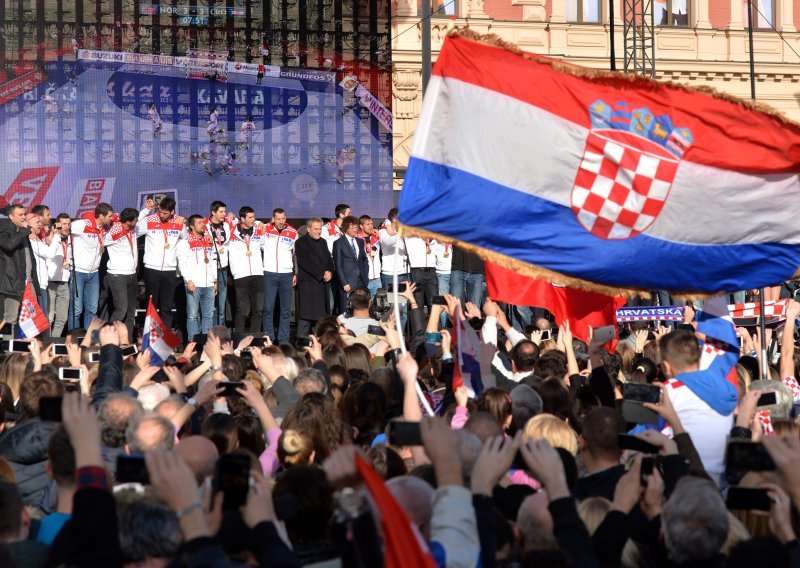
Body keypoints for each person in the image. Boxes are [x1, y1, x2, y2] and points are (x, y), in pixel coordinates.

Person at [138, 196, 186, 330]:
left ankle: (165, 342)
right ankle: (150, 338)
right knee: (151, 306)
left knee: (167, 308)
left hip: (170, 270)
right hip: (151, 269)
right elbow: (133, 231)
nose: (161, 215)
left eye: (165, 213)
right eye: (160, 212)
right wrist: (145, 212)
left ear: (172, 212)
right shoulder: (150, 220)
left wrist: (184, 224)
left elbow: (187, 240)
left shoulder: (179, 222)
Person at [71, 203, 114, 329]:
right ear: (101, 216)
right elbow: (64, 227)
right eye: (109, 216)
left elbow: (118, 218)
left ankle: (87, 340)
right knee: (77, 310)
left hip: (94, 273)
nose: (111, 219)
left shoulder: (104, 228)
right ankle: (73, 339)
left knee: (92, 310)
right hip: (78, 272)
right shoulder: (83, 224)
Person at [176, 215, 217, 341]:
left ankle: (206, 342)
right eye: (199, 223)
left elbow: (212, 261)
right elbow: (182, 263)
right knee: (193, 315)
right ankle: (193, 342)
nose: (203, 225)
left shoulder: (209, 241)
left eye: (203, 222)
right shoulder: (185, 242)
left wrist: (214, 280)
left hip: (209, 284)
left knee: (208, 315)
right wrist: (188, 280)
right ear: (192, 226)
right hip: (194, 283)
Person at [228, 206, 267, 335]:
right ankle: (239, 340)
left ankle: (254, 339)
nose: (253, 219)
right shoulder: (231, 231)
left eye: (254, 217)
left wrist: (259, 225)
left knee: (258, 310)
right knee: (242, 311)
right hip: (241, 276)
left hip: (257, 274)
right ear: (242, 219)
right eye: (250, 217)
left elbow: (264, 246)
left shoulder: (258, 230)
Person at [262, 208, 297, 344]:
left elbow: (296, 255)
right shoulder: (266, 229)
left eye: (283, 219)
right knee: (268, 308)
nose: (281, 222)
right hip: (269, 273)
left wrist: (295, 273)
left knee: (285, 309)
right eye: (278, 219)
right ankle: (269, 337)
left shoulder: (293, 232)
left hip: (286, 274)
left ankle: (283, 339)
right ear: (273, 219)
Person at [295, 217, 333, 341]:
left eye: (320, 229)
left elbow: (329, 259)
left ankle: (318, 345)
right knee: (305, 319)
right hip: (308, 286)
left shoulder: (323, 242)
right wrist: (321, 274)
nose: (318, 232)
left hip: (321, 286)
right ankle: (301, 347)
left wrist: (329, 272)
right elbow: (305, 263)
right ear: (308, 229)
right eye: (315, 229)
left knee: (319, 320)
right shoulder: (300, 243)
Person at [104, 208, 139, 338]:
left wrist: (147, 209)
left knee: (131, 312)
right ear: (129, 221)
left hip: (132, 274)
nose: (137, 222)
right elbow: (100, 240)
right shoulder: (114, 231)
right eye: (135, 220)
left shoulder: (133, 229)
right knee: (121, 310)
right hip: (117, 275)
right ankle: (108, 338)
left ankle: (127, 341)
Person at [0, 204, 32, 331]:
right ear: (11, 216)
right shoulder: (3, 229)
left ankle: (8, 349)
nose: (24, 217)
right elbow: (8, 245)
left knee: (12, 320)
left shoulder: (21, 232)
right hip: (6, 283)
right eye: (20, 215)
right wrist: (25, 230)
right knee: (5, 319)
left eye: (24, 214)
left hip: (19, 283)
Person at [205, 201, 235, 327]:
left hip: (223, 268)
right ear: (213, 212)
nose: (224, 214)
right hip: (208, 269)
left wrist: (259, 222)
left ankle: (220, 333)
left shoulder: (228, 223)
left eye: (225, 211)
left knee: (221, 305)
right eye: (221, 212)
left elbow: (247, 221)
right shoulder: (204, 224)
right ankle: (209, 333)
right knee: (210, 305)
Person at [332, 215, 369, 314]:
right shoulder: (339, 243)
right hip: (347, 282)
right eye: (352, 226)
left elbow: (364, 259)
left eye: (356, 226)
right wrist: (344, 282)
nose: (355, 229)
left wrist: (365, 275)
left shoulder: (360, 241)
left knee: (360, 310)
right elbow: (338, 265)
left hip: (361, 281)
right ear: (345, 228)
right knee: (346, 311)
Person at [47, 213, 72, 337]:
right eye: (64, 224)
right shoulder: (51, 239)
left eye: (68, 224)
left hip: (64, 283)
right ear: (57, 225)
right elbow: (50, 254)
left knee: (62, 318)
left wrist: (70, 265)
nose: (67, 227)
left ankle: (54, 342)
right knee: (50, 317)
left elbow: (71, 258)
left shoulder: (70, 241)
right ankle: (46, 343)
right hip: (51, 282)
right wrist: (56, 235)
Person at [404, 236, 437, 313]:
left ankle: (434, 324)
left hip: (431, 270)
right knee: (418, 303)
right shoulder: (410, 234)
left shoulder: (433, 233)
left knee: (434, 303)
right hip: (417, 271)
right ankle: (418, 324)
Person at [378, 208, 408, 290]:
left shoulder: (401, 232)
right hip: (389, 273)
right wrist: (400, 235)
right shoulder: (383, 231)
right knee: (390, 301)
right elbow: (388, 242)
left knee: (403, 301)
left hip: (403, 272)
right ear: (394, 219)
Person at [357, 215, 381, 297]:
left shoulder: (377, 237)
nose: (371, 226)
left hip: (377, 279)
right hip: (363, 279)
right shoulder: (356, 239)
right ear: (361, 226)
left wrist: (380, 235)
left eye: (371, 223)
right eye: (367, 224)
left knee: (377, 307)